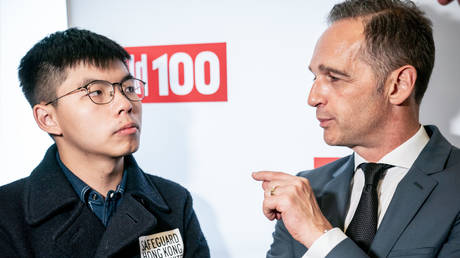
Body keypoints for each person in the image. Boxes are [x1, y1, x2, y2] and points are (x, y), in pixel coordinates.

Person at [252, 0, 460, 257]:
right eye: (315, 77)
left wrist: (319, 235)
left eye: (335, 78)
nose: (313, 97)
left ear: (398, 85)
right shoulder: (309, 191)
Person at [0, 28, 209, 258]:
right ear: (48, 119)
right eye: (97, 92)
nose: (125, 103)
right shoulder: (7, 214)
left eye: (129, 88)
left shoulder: (174, 201)